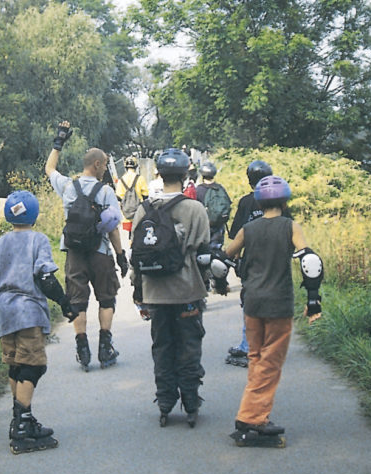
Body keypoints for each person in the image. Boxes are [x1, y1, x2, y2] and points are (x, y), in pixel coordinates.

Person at [224, 175, 324, 447]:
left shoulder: (248, 229)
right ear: (285, 200)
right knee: (270, 364)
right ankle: (251, 418)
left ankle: (256, 414)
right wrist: (313, 299)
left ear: (259, 200)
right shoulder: (291, 226)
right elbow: (310, 262)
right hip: (278, 304)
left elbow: (225, 257)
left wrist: (223, 279)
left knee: (257, 359)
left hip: (253, 303)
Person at [0, 190, 78, 454]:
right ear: (34, 214)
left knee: (16, 365)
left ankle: (20, 420)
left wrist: (4, 300)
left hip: (5, 312)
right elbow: (46, 278)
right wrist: (63, 302)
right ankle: (23, 427)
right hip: (28, 312)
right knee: (33, 366)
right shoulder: (38, 240)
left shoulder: (0, 242)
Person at [131, 148, 210, 428]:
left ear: (159, 175)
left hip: (156, 293)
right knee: (189, 346)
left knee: (162, 346)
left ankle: (165, 402)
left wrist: (138, 291)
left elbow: (136, 255)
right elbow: (204, 255)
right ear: (186, 174)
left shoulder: (144, 209)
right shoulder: (195, 209)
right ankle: (190, 401)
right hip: (187, 291)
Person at [44, 121, 130, 372]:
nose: (104, 169)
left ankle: (83, 348)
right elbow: (113, 227)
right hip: (100, 253)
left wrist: (59, 141)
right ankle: (105, 346)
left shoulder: (68, 186)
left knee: (77, 300)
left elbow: (49, 168)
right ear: (97, 164)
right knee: (106, 297)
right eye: (104, 164)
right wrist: (121, 256)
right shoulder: (105, 192)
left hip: (74, 253)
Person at [224, 159, 273, 368]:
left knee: (250, 301)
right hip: (275, 260)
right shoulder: (278, 200)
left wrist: (232, 257)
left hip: (253, 260)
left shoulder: (246, 202)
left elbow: (236, 234)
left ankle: (248, 346)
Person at [195, 161, 232, 250]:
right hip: (219, 226)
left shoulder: (199, 190)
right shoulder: (220, 188)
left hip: (205, 226)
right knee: (216, 250)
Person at [115, 155, 149, 238]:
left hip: (126, 214)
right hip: (139, 212)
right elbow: (145, 195)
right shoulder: (140, 178)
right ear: (136, 166)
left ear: (126, 167)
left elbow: (119, 197)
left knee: (130, 234)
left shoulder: (121, 180)